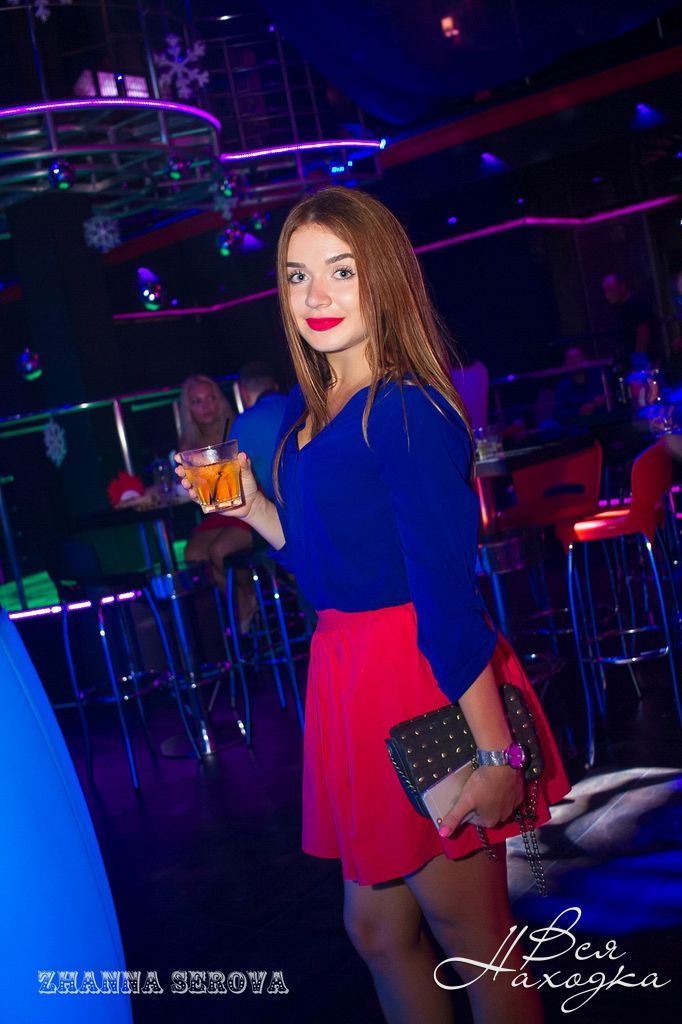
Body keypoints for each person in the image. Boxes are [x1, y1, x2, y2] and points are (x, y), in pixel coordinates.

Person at [177, 188, 570, 1023]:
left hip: (417, 677)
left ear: (383, 277)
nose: (315, 295)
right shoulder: (314, 419)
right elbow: (328, 571)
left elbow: (446, 596)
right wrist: (254, 509)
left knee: (474, 936)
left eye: (341, 271)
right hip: (349, 670)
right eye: (297, 275)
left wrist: (497, 757)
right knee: (379, 931)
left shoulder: (405, 409)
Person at [178, 375, 255, 628]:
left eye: (211, 397)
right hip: (216, 515)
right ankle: (242, 599)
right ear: (188, 409)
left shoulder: (238, 429)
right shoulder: (189, 445)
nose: (206, 406)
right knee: (193, 554)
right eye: (197, 401)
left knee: (219, 551)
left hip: (246, 508)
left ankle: (249, 597)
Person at [229, 361, 288, 501]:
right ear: (275, 386)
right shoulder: (302, 404)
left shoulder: (244, 422)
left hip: (281, 506)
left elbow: (231, 477)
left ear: (244, 393)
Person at [601, 272, 659, 369]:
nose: (608, 294)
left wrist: (639, 355)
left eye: (611, 289)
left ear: (622, 287)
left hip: (645, 360)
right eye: (605, 291)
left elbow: (643, 330)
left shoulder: (635, 304)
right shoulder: (622, 308)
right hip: (634, 360)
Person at [553, 345, 607, 424]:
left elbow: (611, 397)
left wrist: (602, 401)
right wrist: (579, 410)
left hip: (603, 419)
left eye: (577, 356)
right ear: (565, 363)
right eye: (569, 358)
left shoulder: (601, 376)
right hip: (576, 424)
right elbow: (558, 413)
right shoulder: (563, 385)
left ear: (585, 358)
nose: (574, 360)